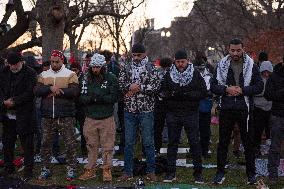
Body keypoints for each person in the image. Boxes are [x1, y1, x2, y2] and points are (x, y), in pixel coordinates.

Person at [211, 38, 263, 185]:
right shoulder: (221, 65)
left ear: (243, 49)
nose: (235, 53)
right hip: (226, 108)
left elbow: (259, 86)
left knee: (248, 143)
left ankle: (251, 174)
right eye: (232, 50)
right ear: (228, 50)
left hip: (244, 109)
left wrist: (243, 90)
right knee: (223, 143)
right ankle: (220, 172)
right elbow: (213, 86)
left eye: (238, 50)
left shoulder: (252, 65)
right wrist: (226, 89)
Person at [161, 50, 207, 183]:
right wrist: (173, 95)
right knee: (172, 143)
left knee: (194, 143)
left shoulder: (195, 74)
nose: (180, 64)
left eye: (183, 61)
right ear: (174, 61)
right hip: (173, 113)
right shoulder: (169, 74)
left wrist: (187, 95)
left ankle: (198, 174)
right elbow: (163, 92)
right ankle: (170, 173)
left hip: (190, 113)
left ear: (187, 61)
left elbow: (203, 92)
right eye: (178, 62)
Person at [34, 50, 80, 181]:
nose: (54, 64)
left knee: (70, 143)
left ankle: (71, 169)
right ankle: (45, 168)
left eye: (57, 62)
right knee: (45, 143)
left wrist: (59, 91)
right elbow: (36, 90)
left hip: (65, 115)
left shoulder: (70, 74)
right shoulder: (43, 74)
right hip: (47, 115)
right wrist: (49, 88)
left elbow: (75, 91)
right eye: (52, 62)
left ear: (62, 61)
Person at [118, 43, 160, 182]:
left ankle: (151, 171)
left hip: (146, 110)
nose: (136, 58)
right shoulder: (126, 67)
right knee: (129, 142)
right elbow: (121, 84)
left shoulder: (151, 67)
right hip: (129, 110)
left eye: (139, 55)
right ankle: (128, 171)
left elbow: (155, 86)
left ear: (145, 54)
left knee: (148, 142)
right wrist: (129, 86)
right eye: (134, 55)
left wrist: (139, 87)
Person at [78, 53, 118, 182]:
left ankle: (106, 169)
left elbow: (114, 97)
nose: (95, 69)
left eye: (98, 67)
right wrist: (93, 98)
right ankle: (90, 169)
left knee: (107, 145)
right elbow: (82, 97)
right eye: (93, 67)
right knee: (91, 144)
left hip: (106, 117)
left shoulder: (111, 78)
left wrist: (99, 97)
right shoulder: (85, 78)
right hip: (90, 117)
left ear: (103, 66)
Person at [0, 52, 37, 181]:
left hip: (24, 113)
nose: (13, 67)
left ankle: (28, 170)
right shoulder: (4, 72)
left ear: (21, 62)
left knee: (27, 144)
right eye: (10, 65)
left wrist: (15, 101)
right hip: (7, 114)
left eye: (15, 64)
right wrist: (3, 102)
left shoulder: (30, 73)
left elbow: (30, 93)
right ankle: (8, 167)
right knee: (8, 142)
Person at [264, 55, 284, 185]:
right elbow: (268, 95)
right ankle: (273, 174)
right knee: (275, 147)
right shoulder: (274, 76)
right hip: (278, 116)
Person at [193, 53, 214, 158]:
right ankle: (196, 150)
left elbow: (212, 88)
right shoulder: (192, 74)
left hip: (205, 105)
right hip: (194, 105)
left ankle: (205, 150)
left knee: (205, 130)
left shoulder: (209, 75)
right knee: (194, 130)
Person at [254, 61, 273, 157]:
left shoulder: (272, 79)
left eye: (268, 72)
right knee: (258, 130)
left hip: (270, 108)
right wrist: (264, 93)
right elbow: (254, 91)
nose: (266, 74)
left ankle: (269, 149)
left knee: (269, 130)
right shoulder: (257, 80)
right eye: (264, 71)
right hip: (259, 108)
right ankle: (256, 148)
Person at [154, 57, 173, 154]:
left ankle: (157, 148)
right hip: (170, 103)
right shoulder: (173, 73)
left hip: (159, 103)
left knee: (158, 127)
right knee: (171, 127)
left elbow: (154, 87)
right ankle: (172, 147)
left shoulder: (157, 72)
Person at [70, 63, 87, 156]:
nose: (73, 72)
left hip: (81, 108)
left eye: (75, 70)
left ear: (79, 70)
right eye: (72, 70)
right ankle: (72, 149)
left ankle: (84, 148)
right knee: (70, 129)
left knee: (83, 129)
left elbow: (83, 94)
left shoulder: (83, 79)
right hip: (71, 107)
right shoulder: (69, 78)